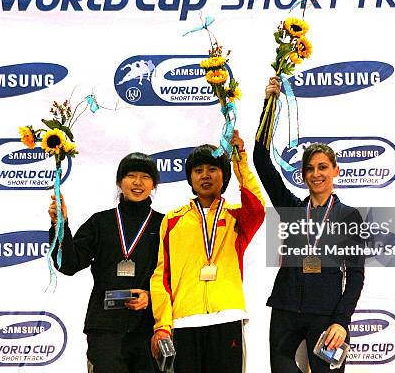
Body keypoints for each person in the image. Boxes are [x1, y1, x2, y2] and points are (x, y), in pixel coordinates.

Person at [253, 77, 365, 373]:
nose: (316, 174)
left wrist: (342, 320)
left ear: (335, 171)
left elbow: (355, 275)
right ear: (302, 175)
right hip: (285, 311)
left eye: (323, 167)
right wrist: (270, 104)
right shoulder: (291, 207)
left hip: (327, 317)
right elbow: (261, 160)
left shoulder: (348, 216)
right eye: (310, 169)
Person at [150, 133, 265, 373]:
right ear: (190, 178)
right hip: (184, 321)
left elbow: (257, 208)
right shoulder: (173, 220)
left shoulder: (237, 217)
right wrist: (163, 324)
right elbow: (162, 276)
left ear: (224, 176)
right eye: (198, 170)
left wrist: (239, 159)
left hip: (227, 318)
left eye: (213, 169)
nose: (205, 175)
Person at [48, 152, 164, 373]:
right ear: (120, 182)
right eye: (131, 175)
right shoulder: (100, 222)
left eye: (145, 177)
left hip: (149, 327)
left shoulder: (165, 224)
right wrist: (59, 225)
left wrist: (151, 295)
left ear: (153, 184)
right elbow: (68, 264)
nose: (138, 183)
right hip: (105, 329)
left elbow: (176, 275)